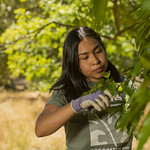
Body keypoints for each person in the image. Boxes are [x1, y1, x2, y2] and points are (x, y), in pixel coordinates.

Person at [35, 26, 133, 150]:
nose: (95, 61)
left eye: (98, 51)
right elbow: (40, 129)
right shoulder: (66, 90)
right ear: (73, 61)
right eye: (85, 57)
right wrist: (76, 105)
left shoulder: (125, 84)